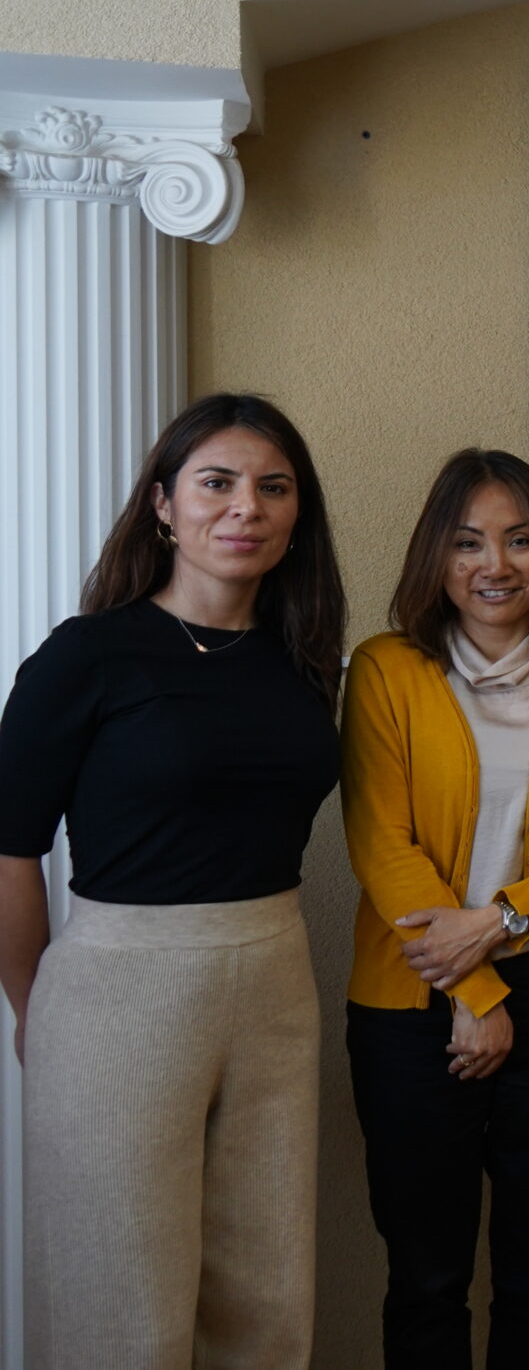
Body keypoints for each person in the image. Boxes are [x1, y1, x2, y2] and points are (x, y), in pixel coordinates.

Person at [0, 393, 347, 1369]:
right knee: (119, 1301)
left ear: (297, 516)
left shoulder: (304, 662)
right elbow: (10, 847)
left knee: (265, 1294)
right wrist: (34, 1006)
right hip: (119, 991)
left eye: (273, 488)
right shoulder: (88, 655)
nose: (246, 507)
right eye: (217, 482)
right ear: (163, 504)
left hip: (276, 981)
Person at [340, 448, 529, 1369]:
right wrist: (476, 993)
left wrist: (501, 921)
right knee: (426, 1276)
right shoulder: (385, 669)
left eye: (519, 540)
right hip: (412, 1007)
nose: (495, 564)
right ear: (436, 555)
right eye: (468, 542)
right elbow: (382, 848)